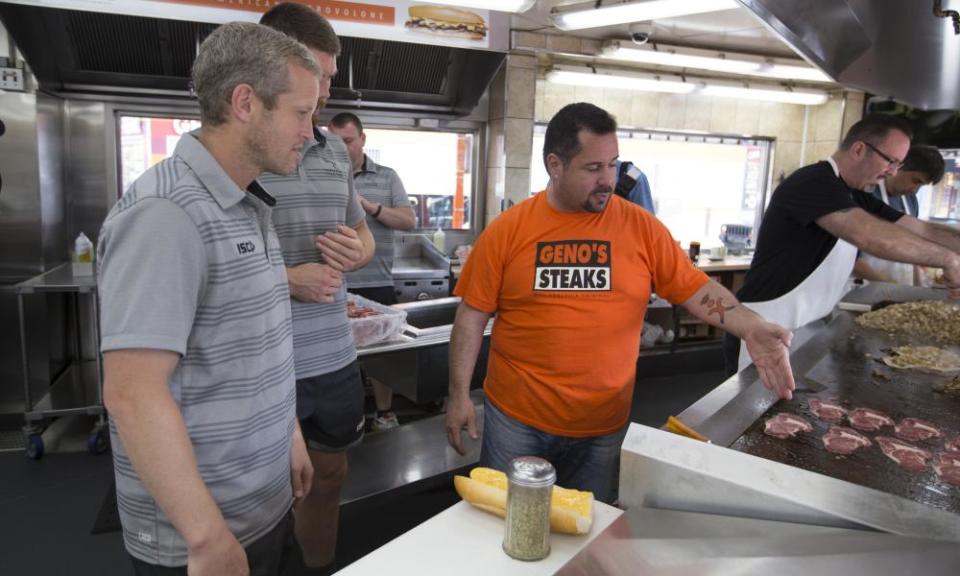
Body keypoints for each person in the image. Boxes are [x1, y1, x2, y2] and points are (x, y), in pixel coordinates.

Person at [445, 102, 796, 503]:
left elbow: (693, 287)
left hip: (603, 426)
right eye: (593, 168)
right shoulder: (509, 231)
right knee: (507, 531)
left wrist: (749, 325)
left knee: (584, 537)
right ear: (555, 165)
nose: (607, 180)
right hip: (517, 423)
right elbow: (471, 317)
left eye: (613, 164)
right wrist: (458, 396)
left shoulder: (640, 226)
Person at [98, 21, 318, 575]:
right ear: (246, 102)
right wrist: (205, 537)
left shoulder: (245, 201)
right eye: (300, 112)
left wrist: (288, 434)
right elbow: (131, 393)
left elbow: (255, 348)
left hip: (264, 508)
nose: (310, 133)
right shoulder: (167, 215)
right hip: (204, 537)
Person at [259, 3, 375, 569]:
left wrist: (359, 250)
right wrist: (287, 278)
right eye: (320, 75)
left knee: (329, 475)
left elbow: (361, 232)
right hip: (264, 358)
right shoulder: (241, 153)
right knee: (265, 491)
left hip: (332, 355)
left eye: (331, 76)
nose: (327, 91)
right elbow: (210, 265)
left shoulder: (333, 153)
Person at [725, 116, 960, 375]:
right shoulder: (812, 182)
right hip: (764, 325)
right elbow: (867, 234)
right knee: (750, 409)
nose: (893, 171)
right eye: (891, 161)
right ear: (859, 149)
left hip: (806, 327)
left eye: (898, 164)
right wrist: (947, 260)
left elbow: (921, 229)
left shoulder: (855, 194)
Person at [328, 111, 416, 432]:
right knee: (339, 357)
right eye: (335, 142)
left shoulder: (387, 177)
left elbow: (408, 221)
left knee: (383, 356)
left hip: (377, 283)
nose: (341, 148)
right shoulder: (324, 174)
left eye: (348, 141)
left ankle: (384, 412)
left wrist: (371, 208)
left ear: (363, 140)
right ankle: (346, 420)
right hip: (334, 285)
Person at [853, 145, 946, 285]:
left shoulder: (911, 201)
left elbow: (911, 252)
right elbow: (852, 259)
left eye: (922, 185)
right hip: (863, 287)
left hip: (897, 286)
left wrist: (917, 288)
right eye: (916, 181)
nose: (915, 190)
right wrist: (888, 285)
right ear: (899, 167)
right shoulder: (865, 196)